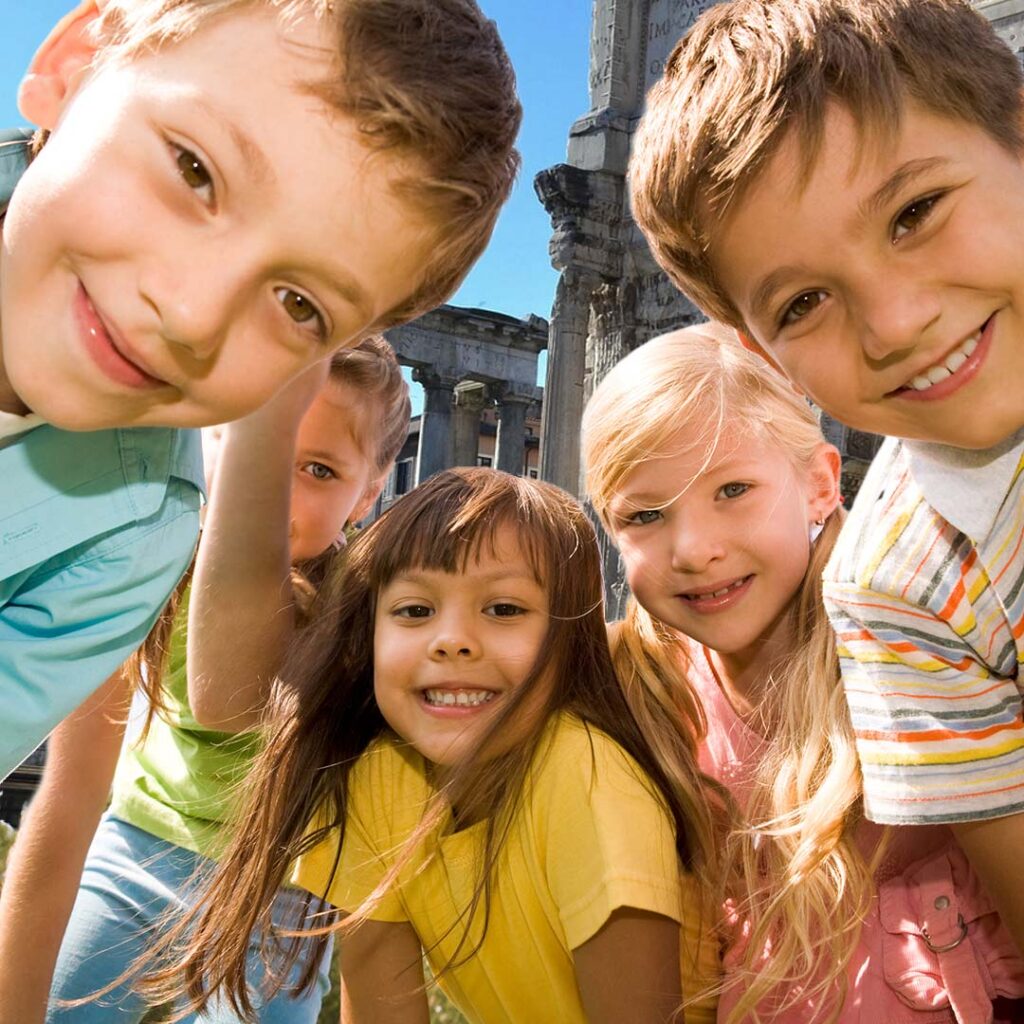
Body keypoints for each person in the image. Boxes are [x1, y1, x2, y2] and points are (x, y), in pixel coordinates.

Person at [0, 0, 520, 775]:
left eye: (299, 305)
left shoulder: (138, 536)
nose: (190, 311)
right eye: (194, 170)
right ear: (73, 67)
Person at [628, 0, 1024, 962]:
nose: (893, 323)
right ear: (759, 353)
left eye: (914, 212)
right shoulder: (896, 587)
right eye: (803, 302)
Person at [137, 468, 721, 1024]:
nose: (452, 641)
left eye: (504, 609)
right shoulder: (382, 775)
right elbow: (379, 1006)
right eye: (415, 610)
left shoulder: (589, 778)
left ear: (572, 640)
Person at [583, 325, 1024, 1021]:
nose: (695, 549)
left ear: (820, 486)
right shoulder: (648, 682)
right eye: (645, 515)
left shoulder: (909, 641)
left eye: (732, 489)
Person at [0, 338, 410, 1024]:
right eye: (251, 438)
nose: (274, 487)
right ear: (207, 433)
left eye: (318, 468)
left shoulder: (371, 611)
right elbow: (72, 793)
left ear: (368, 492)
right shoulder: (141, 561)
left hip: (282, 890)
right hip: (133, 847)